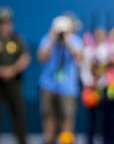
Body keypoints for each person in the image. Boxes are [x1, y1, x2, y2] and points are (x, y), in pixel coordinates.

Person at [37, 15, 83, 144]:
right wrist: (52, 38)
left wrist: (67, 40)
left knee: (67, 117)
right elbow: (41, 57)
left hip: (68, 87)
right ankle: (49, 140)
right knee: (48, 116)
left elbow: (79, 56)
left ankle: (66, 142)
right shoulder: (48, 39)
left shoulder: (74, 40)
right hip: (48, 85)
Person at [0, 8, 29, 144]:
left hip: (14, 83)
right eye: (1, 23)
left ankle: (22, 141)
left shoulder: (17, 38)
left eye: (6, 23)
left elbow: (25, 57)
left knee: (18, 114)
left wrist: (12, 70)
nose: (4, 26)